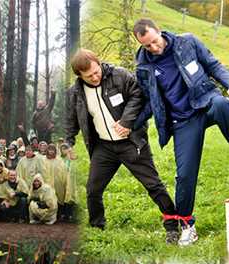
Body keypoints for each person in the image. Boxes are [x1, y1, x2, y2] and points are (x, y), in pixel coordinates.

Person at [133, 18, 229, 245]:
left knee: (222, 104)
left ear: (160, 31)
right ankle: (187, 224)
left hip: (205, 103)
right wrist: (130, 124)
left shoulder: (187, 42)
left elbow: (213, 65)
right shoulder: (144, 68)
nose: (154, 48)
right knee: (184, 175)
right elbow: (150, 102)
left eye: (155, 42)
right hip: (182, 121)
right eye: (147, 46)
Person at [66, 48, 179, 242]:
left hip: (131, 143)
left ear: (99, 63)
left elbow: (138, 96)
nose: (95, 77)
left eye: (96, 71)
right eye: (89, 76)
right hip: (104, 148)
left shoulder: (119, 75)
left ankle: (172, 227)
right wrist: (67, 143)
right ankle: (97, 227)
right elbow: (70, 120)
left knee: (153, 185)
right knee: (93, 190)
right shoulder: (75, 93)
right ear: (79, 75)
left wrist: (127, 122)